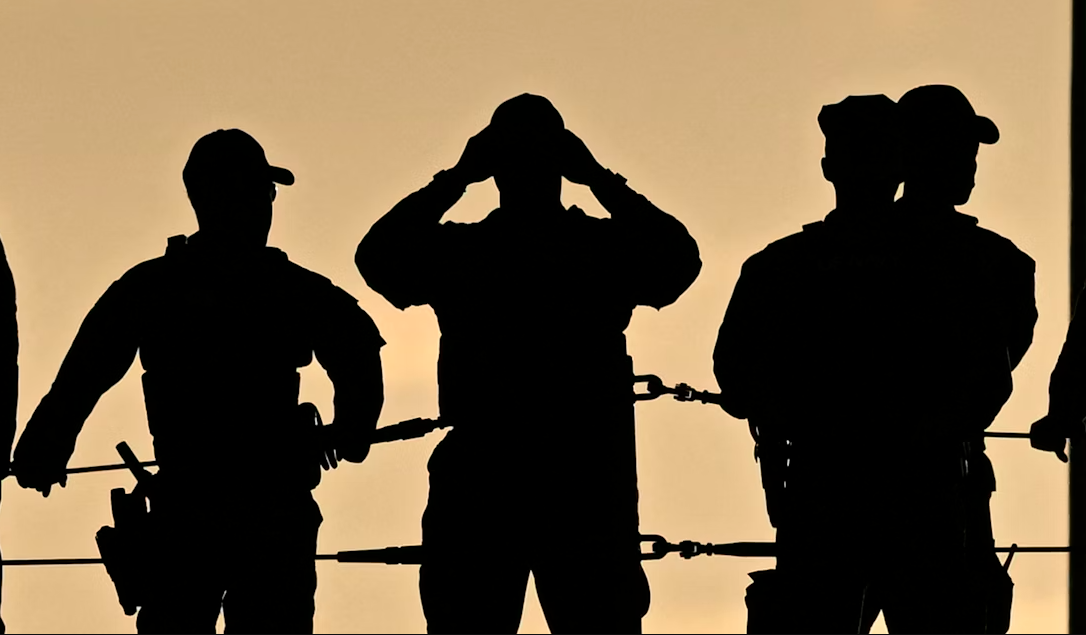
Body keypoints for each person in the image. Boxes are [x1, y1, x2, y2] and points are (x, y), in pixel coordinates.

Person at [12, 129, 385, 634]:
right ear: (212, 197)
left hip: (209, 513)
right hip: (239, 514)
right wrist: (351, 431)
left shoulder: (157, 287)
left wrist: (46, 445)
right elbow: (85, 371)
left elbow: (83, 374)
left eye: (266, 193)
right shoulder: (280, 287)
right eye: (254, 191)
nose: (263, 205)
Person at [356, 94, 701, 634]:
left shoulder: (468, 253)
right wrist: (599, 179)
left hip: (500, 478)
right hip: (579, 479)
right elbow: (678, 259)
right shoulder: (597, 249)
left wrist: (457, 177)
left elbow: (379, 256)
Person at [715, 87, 1034, 634]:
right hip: (922, 495)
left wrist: (808, 424)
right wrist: (920, 433)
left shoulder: (783, 266)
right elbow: (989, 374)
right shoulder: (963, 264)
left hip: (829, 492)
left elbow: (736, 378)